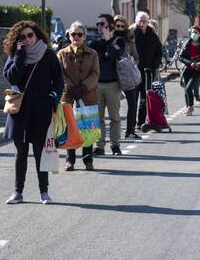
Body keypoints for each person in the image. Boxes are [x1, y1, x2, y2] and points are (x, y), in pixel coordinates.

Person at [3, 21, 63, 204]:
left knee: (39, 152)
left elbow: (59, 81)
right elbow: (11, 77)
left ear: (37, 35)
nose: (28, 39)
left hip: (40, 111)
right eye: (22, 37)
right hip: (19, 111)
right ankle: (17, 192)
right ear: (17, 40)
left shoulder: (49, 54)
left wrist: (52, 99)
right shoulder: (16, 54)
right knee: (20, 152)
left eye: (30, 35)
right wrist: (20, 55)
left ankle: (44, 192)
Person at [57, 21, 99, 171]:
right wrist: (70, 88)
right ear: (69, 35)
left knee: (87, 129)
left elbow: (95, 74)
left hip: (88, 97)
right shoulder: (61, 54)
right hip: (68, 97)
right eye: (73, 34)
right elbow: (59, 74)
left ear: (84, 36)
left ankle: (88, 160)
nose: (76, 37)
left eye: (79, 34)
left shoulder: (93, 54)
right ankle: (70, 161)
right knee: (70, 129)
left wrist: (83, 87)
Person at [89, 14, 124, 156]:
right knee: (98, 118)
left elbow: (116, 54)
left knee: (114, 117)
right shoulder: (94, 43)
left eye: (102, 24)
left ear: (110, 26)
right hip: (97, 85)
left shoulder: (118, 41)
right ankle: (100, 145)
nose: (99, 27)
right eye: (98, 24)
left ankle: (115, 145)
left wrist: (108, 40)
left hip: (113, 84)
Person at [129, 11, 162, 131]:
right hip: (134, 71)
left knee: (144, 97)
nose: (142, 23)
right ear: (136, 21)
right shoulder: (132, 33)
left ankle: (141, 123)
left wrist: (155, 65)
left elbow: (159, 51)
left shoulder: (152, 34)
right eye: (140, 21)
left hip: (148, 71)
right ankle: (131, 124)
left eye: (144, 21)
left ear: (148, 22)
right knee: (133, 98)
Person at [113, 15, 141, 140]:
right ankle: (114, 135)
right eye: (117, 26)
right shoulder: (110, 39)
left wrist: (132, 64)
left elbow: (135, 55)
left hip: (128, 75)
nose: (119, 28)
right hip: (114, 76)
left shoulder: (130, 38)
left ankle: (130, 130)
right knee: (114, 107)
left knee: (133, 103)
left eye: (122, 26)